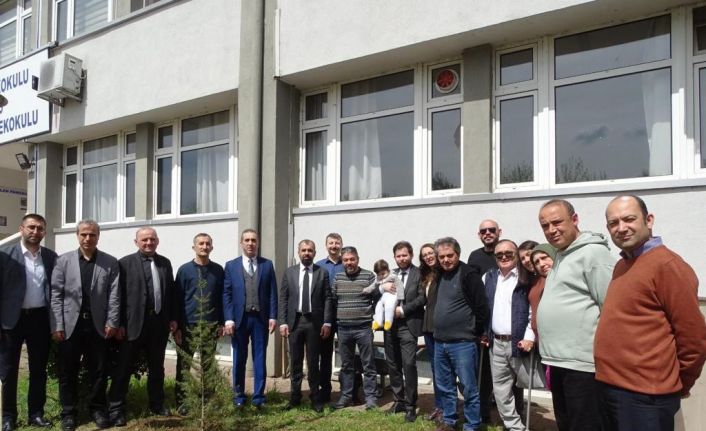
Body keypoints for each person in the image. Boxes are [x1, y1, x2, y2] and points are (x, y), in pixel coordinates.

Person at [595, 195, 706, 431]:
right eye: (613, 223)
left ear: (649, 220)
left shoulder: (668, 266)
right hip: (611, 388)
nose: (621, 228)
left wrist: (679, 383)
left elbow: (694, 338)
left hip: (645, 396)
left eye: (629, 219)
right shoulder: (622, 264)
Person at [536, 199, 615, 431]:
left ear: (574, 219)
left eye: (557, 222)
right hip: (560, 361)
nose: (551, 230)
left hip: (583, 366)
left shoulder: (593, 254)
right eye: (545, 226)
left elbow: (611, 308)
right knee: (567, 424)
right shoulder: (562, 255)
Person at [49, 220, 119, 431]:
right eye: (84, 234)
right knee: (67, 371)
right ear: (77, 236)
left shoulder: (110, 262)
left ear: (98, 236)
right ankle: (68, 413)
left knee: (98, 371)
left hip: (98, 326)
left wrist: (112, 321)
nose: (88, 238)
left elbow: (114, 295)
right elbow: (56, 295)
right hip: (70, 325)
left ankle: (97, 409)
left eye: (92, 235)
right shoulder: (63, 261)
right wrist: (57, 324)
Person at [108, 227, 178, 426]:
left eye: (152, 239)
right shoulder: (124, 263)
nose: (149, 243)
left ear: (157, 241)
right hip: (132, 325)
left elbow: (170, 293)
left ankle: (157, 404)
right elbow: (118, 296)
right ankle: (116, 409)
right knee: (124, 367)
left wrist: (172, 318)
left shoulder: (165, 263)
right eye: (144, 239)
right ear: (136, 242)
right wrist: (119, 324)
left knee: (157, 367)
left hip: (159, 324)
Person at [0, 214, 57, 431]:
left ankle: (36, 414)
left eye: (40, 228)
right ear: (21, 228)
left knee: (38, 370)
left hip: (40, 320)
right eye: (31, 227)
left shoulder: (51, 257)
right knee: (8, 371)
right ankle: (8, 417)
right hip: (10, 321)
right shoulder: (5, 255)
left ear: (44, 232)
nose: (35, 232)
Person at [433, 237, 488, 431]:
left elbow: (482, 308)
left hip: (463, 343)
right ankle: (449, 421)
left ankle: (472, 424)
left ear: (458, 254)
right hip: (440, 342)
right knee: (445, 386)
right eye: (442, 257)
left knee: (468, 387)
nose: (446, 260)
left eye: (450, 255)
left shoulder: (468, 275)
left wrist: (475, 331)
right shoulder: (440, 274)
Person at [222, 229, 278, 408]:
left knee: (260, 357)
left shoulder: (267, 265)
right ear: (241, 243)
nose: (250, 243)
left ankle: (258, 397)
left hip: (260, 319)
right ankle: (238, 396)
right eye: (247, 240)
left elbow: (272, 293)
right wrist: (228, 319)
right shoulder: (231, 265)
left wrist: (273, 316)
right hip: (239, 320)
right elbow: (227, 293)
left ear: (258, 243)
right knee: (239, 358)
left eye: (253, 240)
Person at [482, 240, 533, 431]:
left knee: (524, 384)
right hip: (496, 343)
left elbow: (533, 311)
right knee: (501, 390)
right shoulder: (489, 277)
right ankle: (515, 427)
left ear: (516, 255)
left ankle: (520, 419)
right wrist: (484, 332)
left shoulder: (526, 277)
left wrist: (529, 336)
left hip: (519, 342)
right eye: (499, 254)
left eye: (509, 253)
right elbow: (484, 308)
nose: (504, 257)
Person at [278, 239, 333, 413]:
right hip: (295, 322)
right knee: (295, 361)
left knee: (313, 362)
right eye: (304, 250)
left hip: (314, 323)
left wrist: (327, 321)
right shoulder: (289, 273)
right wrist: (283, 322)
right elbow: (283, 298)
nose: (307, 253)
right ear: (298, 252)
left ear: (314, 253)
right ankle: (295, 397)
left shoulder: (322, 273)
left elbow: (328, 298)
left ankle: (315, 398)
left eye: (310, 250)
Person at [174, 233, 224, 415]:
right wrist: (177, 326)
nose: (204, 246)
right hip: (188, 324)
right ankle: (182, 401)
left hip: (210, 324)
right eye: (201, 243)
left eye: (207, 244)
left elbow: (222, 298)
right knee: (184, 365)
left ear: (212, 247)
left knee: (209, 365)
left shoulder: (218, 270)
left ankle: (208, 400)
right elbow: (177, 299)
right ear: (194, 247)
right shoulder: (184, 270)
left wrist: (221, 322)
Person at [330, 246, 380, 410]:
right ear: (342, 261)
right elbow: (333, 300)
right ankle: (346, 396)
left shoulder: (368, 276)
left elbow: (377, 299)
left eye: (352, 259)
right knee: (346, 365)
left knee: (368, 364)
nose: (349, 262)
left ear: (357, 259)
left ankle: (371, 398)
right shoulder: (338, 277)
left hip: (363, 328)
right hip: (343, 329)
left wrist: (372, 316)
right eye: (345, 260)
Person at [383, 241, 426, 423]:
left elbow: (422, 298)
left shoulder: (419, 273)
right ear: (394, 257)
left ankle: (410, 405)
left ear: (411, 255)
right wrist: (382, 287)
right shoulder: (390, 274)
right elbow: (378, 292)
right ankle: (398, 401)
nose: (401, 258)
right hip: (390, 326)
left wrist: (403, 310)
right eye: (398, 256)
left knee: (408, 365)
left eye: (404, 255)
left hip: (408, 325)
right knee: (393, 365)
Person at [467, 219, 501, 422]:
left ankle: (513, 416)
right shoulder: (475, 256)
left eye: (491, 230)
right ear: (479, 234)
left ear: (499, 232)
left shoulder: (505, 252)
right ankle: (483, 412)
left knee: (508, 373)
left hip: (505, 322)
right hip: (483, 322)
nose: (487, 233)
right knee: (483, 370)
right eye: (483, 231)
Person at [314, 232, 344, 403]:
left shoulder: (347, 264)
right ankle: (325, 391)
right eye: (331, 243)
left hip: (344, 315)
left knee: (347, 356)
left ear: (341, 245)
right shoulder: (318, 266)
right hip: (325, 317)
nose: (334, 246)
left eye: (337, 243)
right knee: (325, 356)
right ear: (326, 246)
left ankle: (348, 392)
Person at [419, 243, 443, 423]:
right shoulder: (425, 275)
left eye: (430, 253)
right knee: (436, 370)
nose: (428, 256)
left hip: (442, 328)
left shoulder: (444, 273)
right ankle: (439, 407)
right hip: (429, 329)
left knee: (445, 371)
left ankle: (448, 409)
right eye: (424, 255)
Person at [370, 259, 403, 331]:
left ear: (388, 270)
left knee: (389, 306)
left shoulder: (393, 276)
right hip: (382, 298)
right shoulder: (377, 279)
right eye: (378, 274)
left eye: (383, 274)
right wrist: (381, 287)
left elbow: (400, 286)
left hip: (392, 296)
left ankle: (388, 321)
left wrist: (401, 299)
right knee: (378, 308)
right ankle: (378, 322)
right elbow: (373, 292)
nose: (381, 276)